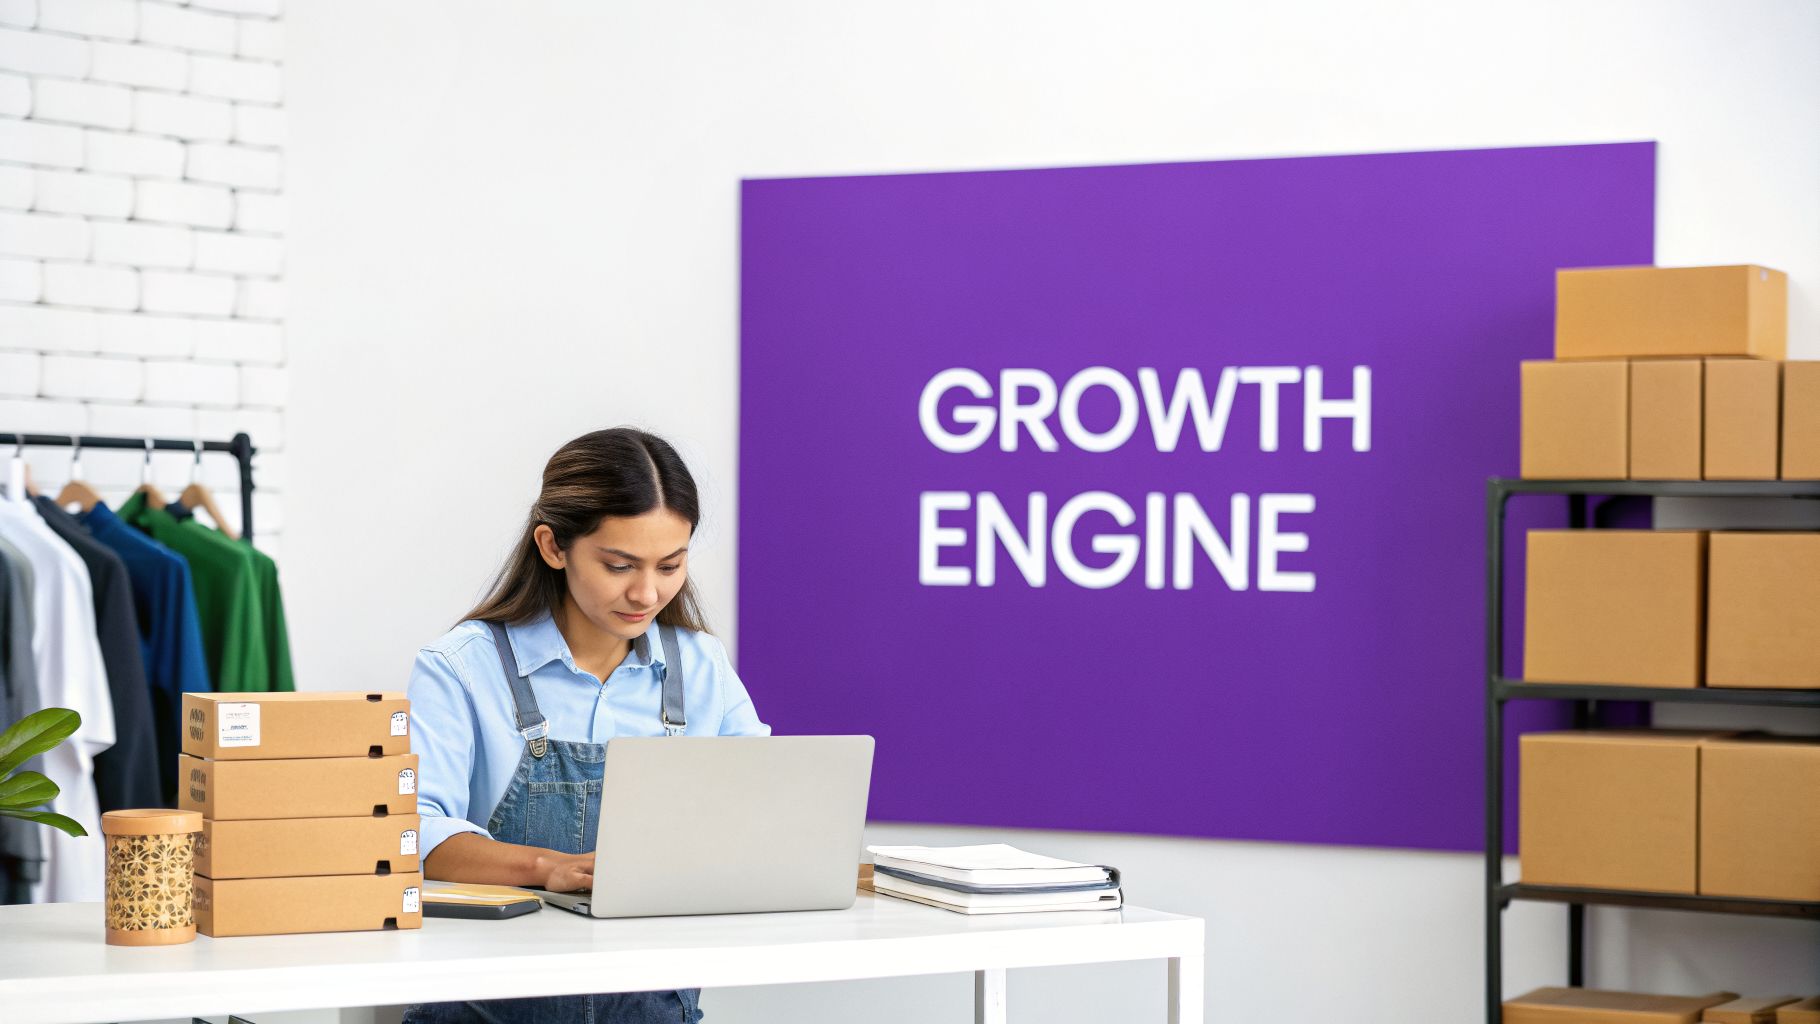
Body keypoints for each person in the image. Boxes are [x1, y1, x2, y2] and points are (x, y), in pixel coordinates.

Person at [403, 428, 769, 1024]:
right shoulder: (459, 668)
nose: (647, 592)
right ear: (553, 546)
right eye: (619, 565)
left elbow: (764, 799)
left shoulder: (700, 667)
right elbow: (413, 832)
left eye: (670, 565)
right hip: (486, 1006)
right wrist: (546, 869)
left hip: (658, 1005)